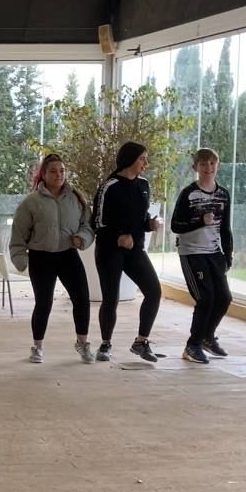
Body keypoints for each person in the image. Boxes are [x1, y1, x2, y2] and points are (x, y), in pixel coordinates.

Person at [8, 153, 95, 364]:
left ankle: (83, 343)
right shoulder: (31, 202)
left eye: (62, 171)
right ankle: (37, 347)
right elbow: (18, 234)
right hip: (41, 258)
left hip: (68, 255)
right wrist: (20, 259)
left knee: (82, 299)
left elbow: (87, 225)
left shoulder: (76, 198)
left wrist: (81, 238)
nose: (59, 175)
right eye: (53, 171)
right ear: (44, 174)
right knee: (43, 303)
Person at [91, 141, 164, 363]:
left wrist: (149, 224)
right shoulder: (109, 186)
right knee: (111, 298)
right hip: (109, 250)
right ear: (130, 159)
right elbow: (97, 222)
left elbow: (140, 218)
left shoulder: (143, 184)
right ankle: (105, 343)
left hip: (135, 249)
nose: (145, 163)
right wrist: (119, 236)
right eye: (142, 158)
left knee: (154, 291)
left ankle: (141, 342)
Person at [171, 148, 233, 365]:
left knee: (224, 298)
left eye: (212, 163)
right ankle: (193, 345)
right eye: (204, 164)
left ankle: (207, 336)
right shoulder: (188, 194)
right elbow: (175, 226)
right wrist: (200, 221)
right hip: (192, 253)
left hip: (214, 252)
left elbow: (225, 228)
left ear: (218, 165)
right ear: (195, 167)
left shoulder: (223, 194)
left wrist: (228, 255)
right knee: (205, 298)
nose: (208, 168)